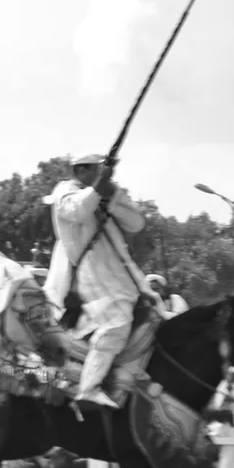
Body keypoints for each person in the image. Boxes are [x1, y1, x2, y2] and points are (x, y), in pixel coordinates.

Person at [42, 153, 157, 408]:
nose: (100, 173)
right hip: (90, 275)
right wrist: (97, 188)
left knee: (154, 317)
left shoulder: (107, 192)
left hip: (120, 273)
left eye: (102, 169)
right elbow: (77, 211)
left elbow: (136, 222)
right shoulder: (65, 191)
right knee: (116, 324)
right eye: (94, 169)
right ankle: (89, 388)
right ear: (80, 171)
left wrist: (111, 195)